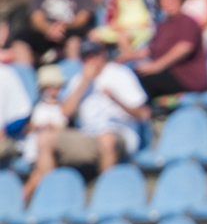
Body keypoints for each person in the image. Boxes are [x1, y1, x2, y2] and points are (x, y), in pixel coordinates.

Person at [25, 41, 147, 200]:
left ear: (103, 54)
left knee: (106, 138)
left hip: (121, 133)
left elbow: (143, 113)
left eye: (95, 55)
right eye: (86, 57)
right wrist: (85, 81)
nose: (92, 60)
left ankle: (106, 196)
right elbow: (65, 113)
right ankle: (52, 197)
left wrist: (116, 99)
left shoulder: (120, 74)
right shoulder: (79, 79)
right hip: (88, 136)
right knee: (45, 138)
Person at [125, 0, 207, 104]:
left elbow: (185, 47)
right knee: (126, 75)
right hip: (165, 74)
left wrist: (157, 66)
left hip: (185, 77)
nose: (168, 1)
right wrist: (125, 57)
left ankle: (141, 112)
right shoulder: (162, 25)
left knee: (141, 80)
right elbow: (151, 50)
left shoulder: (188, 22)